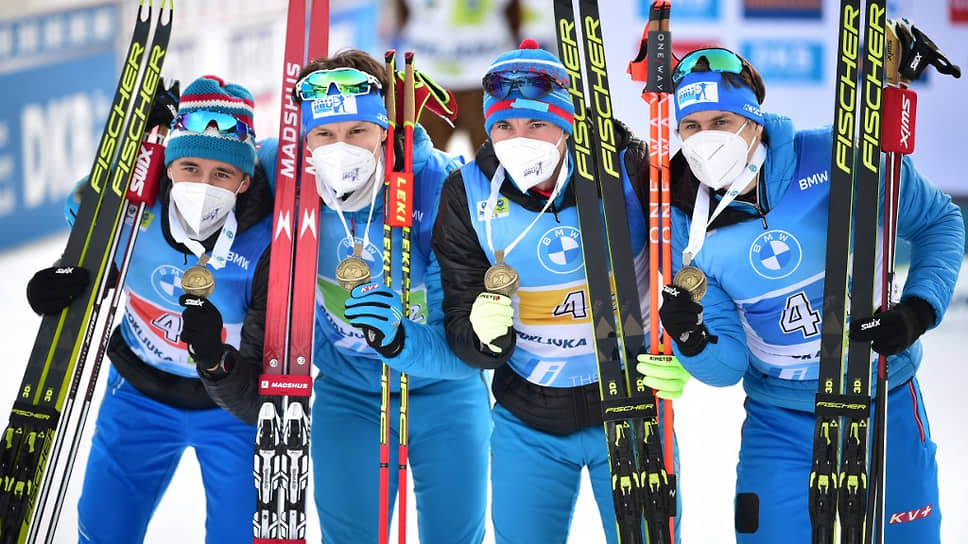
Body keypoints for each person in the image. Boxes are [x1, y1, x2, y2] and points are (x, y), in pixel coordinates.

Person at [647, 47, 964, 542]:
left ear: (753, 121)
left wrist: (918, 311)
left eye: (721, 121)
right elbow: (727, 367)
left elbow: (938, 222)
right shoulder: (683, 219)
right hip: (781, 417)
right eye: (692, 126)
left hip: (882, 397)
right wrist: (691, 339)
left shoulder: (833, 156)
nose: (707, 138)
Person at [198, 49, 491, 543]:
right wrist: (99, 194)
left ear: (385, 128)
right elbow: (204, 172)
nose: (341, 148)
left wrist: (399, 341)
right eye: (324, 134)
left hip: (443, 392)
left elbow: (464, 351)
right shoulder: (284, 172)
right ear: (306, 138)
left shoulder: (439, 184)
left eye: (358, 130)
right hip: (349, 392)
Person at [432, 40, 682, 544]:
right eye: (504, 126)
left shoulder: (628, 169)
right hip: (530, 418)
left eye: (536, 124)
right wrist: (482, 337)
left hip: (632, 409)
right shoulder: (466, 194)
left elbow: (694, 269)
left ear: (565, 125)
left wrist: (687, 351)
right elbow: (459, 319)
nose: (518, 139)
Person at [25, 75, 274, 543]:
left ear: (244, 181)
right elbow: (90, 262)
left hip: (230, 413)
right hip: (137, 396)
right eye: (190, 167)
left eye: (222, 174)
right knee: (103, 532)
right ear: (169, 167)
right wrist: (57, 285)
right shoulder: (135, 212)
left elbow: (261, 379)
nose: (203, 184)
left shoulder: (265, 240)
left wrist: (216, 359)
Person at [389, 0, 520, 153]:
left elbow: (514, 14)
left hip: (486, 77)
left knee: (498, 157)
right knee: (422, 158)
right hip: (427, 78)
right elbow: (401, 13)